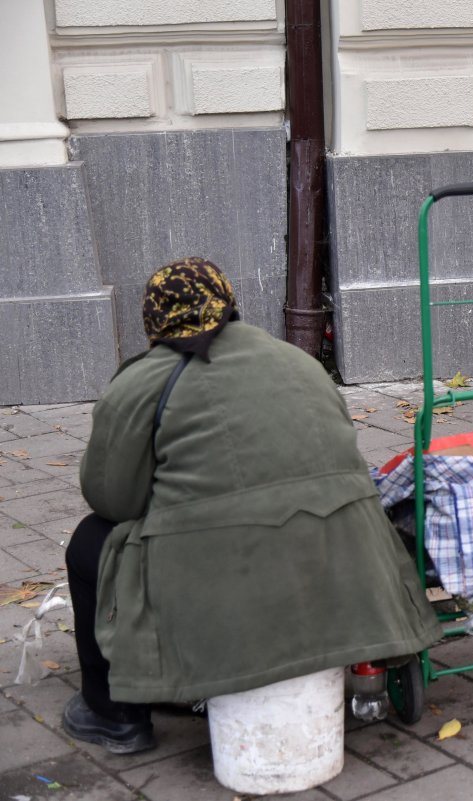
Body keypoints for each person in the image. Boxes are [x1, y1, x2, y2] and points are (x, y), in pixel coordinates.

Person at [62, 258, 441, 754]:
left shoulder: (139, 382)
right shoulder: (298, 360)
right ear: (229, 304)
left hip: (233, 588)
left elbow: (111, 498)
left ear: (154, 321)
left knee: (89, 542)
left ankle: (115, 716)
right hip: (354, 576)